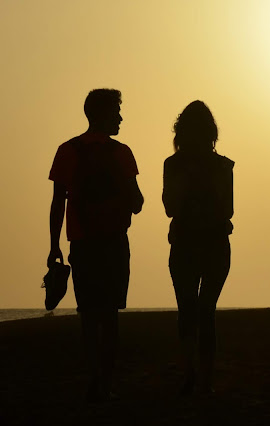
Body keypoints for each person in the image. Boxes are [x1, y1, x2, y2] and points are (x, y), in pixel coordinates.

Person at [48, 88, 144, 402]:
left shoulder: (68, 150)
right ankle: (106, 383)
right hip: (114, 241)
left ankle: (92, 378)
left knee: (88, 315)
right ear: (102, 114)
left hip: (81, 243)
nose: (120, 118)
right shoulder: (121, 152)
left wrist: (53, 245)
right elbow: (138, 203)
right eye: (116, 112)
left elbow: (57, 204)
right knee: (110, 315)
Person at [162, 100, 234, 395]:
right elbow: (227, 210)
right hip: (213, 242)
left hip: (188, 243)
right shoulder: (223, 165)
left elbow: (170, 207)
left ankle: (191, 371)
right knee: (205, 311)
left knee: (189, 310)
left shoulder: (174, 164)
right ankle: (203, 375)